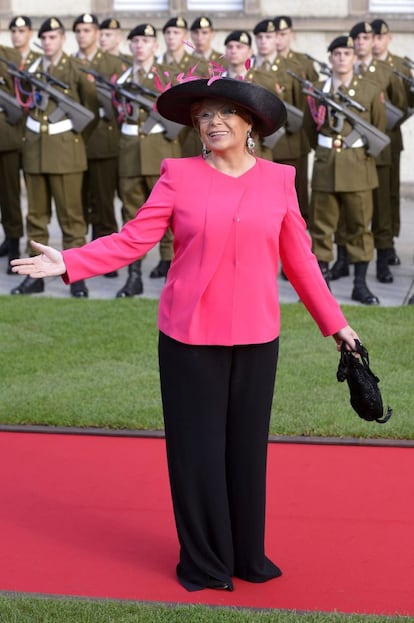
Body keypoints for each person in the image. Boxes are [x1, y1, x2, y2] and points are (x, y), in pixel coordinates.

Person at [11, 77, 359, 592]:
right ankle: (205, 562)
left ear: (250, 124)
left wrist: (338, 326)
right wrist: (72, 262)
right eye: (203, 115)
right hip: (189, 339)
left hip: (258, 338)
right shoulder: (177, 176)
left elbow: (301, 261)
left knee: (245, 452)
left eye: (224, 113)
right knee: (197, 455)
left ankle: (245, 554)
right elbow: (135, 240)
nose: (213, 122)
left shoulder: (280, 180)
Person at [10, 16, 98, 297]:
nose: (48, 43)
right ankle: (34, 275)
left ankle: (77, 275)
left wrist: (73, 141)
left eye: (54, 37)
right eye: (44, 38)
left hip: (65, 152)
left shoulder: (74, 69)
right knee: (36, 217)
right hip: (35, 149)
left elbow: (90, 110)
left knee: (71, 218)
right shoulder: (31, 68)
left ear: (62, 39)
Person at [303, 35, 386, 304]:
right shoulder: (317, 90)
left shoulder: (370, 89)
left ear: (354, 57)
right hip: (327, 166)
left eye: (347, 53)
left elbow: (379, 127)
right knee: (321, 228)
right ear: (330, 58)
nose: (342, 58)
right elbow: (307, 130)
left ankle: (359, 285)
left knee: (360, 227)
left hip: (358, 168)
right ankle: (321, 286)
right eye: (337, 53)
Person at [114, 23, 181, 296]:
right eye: (136, 40)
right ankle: (133, 275)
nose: (140, 45)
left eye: (146, 40)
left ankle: (169, 265)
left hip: (160, 150)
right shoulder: (122, 77)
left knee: (170, 214)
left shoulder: (169, 76)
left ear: (156, 46)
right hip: (130, 151)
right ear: (130, 45)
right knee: (131, 215)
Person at [72, 13, 126, 275]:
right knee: (81, 202)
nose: (83, 35)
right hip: (75, 141)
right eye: (79, 31)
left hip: (104, 140)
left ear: (97, 33)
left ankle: (106, 258)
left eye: (88, 30)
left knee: (104, 204)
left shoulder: (114, 64)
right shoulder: (71, 63)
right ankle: (83, 256)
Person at [371, 18, 412, 267]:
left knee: (389, 195)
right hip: (362, 142)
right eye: (371, 38)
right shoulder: (358, 65)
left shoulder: (398, 66)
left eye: (379, 37)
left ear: (388, 38)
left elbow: (407, 104)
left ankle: (388, 244)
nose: (375, 43)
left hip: (390, 138)